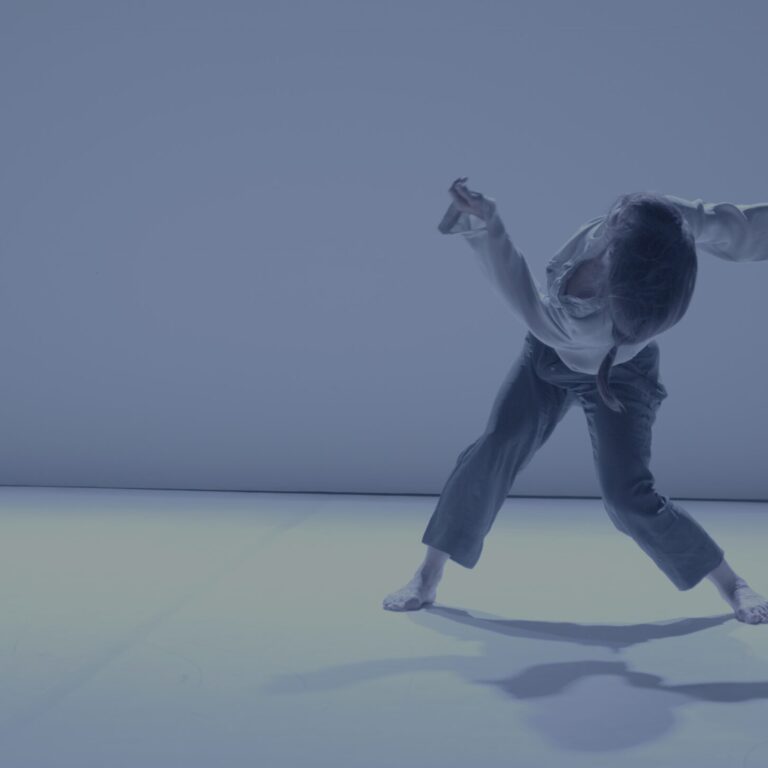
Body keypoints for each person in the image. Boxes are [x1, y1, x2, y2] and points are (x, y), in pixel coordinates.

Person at [382, 178, 768, 624]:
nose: (608, 223)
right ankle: (428, 573)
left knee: (627, 497)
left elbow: (514, 285)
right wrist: (483, 219)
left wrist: (488, 228)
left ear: (626, 271)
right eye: (615, 219)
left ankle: (731, 582)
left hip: (619, 374)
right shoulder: (657, 219)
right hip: (547, 356)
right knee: (494, 447)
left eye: (614, 235)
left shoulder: (588, 318)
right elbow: (735, 225)